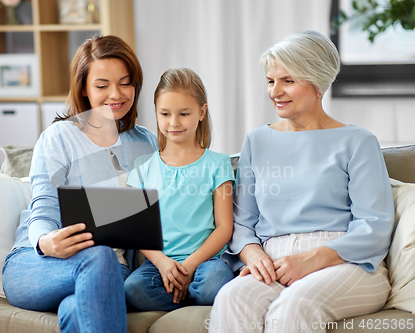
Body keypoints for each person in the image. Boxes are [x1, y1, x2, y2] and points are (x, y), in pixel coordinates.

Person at [209, 30, 394, 333]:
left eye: (288, 81)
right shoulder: (257, 141)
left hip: (346, 262)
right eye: (271, 81)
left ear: (319, 83)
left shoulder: (357, 141)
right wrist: (254, 255)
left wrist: (313, 259)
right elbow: (243, 222)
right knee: (231, 297)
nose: (274, 92)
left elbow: (374, 224)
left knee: (294, 306)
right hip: (274, 260)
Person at [1, 35, 158, 333]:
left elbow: (153, 219)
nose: (116, 94)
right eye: (102, 86)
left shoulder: (147, 142)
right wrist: (46, 243)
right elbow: (43, 208)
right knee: (98, 257)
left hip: (113, 271)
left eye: (125, 83)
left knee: (75, 309)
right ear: (84, 89)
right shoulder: (59, 137)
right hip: (37, 264)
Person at [124, 68, 235, 311]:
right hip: (159, 263)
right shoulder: (142, 167)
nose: (174, 123)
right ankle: (183, 293)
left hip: (206, 261)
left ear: (201, 112)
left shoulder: (218, 163)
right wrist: (163, 263)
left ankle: (181, 291)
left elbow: (225, 228)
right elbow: (136, 230)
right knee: (132, 289)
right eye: (165, 114)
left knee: (214, 284)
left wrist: (190, 265)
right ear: (156, 113)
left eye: (184, 113)